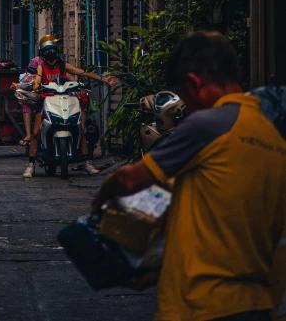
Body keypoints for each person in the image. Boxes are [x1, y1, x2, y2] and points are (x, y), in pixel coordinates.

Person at [92, 31, 286, 321]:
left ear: (194, 83)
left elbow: (129, 180)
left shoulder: (207, 125)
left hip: (200, 305)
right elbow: (219, 221)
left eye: (185, 97)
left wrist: (98, 209)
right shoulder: (272, 135)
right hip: (256, 302)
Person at [23, 35, 118, 178]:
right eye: (47, 50)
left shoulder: (63, 65)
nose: (50, 53)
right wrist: (37, 85)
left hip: (64, 99)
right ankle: (30, 165)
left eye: (52, 50)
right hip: (46, 100)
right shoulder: (41, 67)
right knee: (35, 132)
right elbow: (37, 79)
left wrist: (103, 79)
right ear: (42, 53)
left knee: (80, 129)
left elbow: (81, 72)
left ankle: (87, 162)